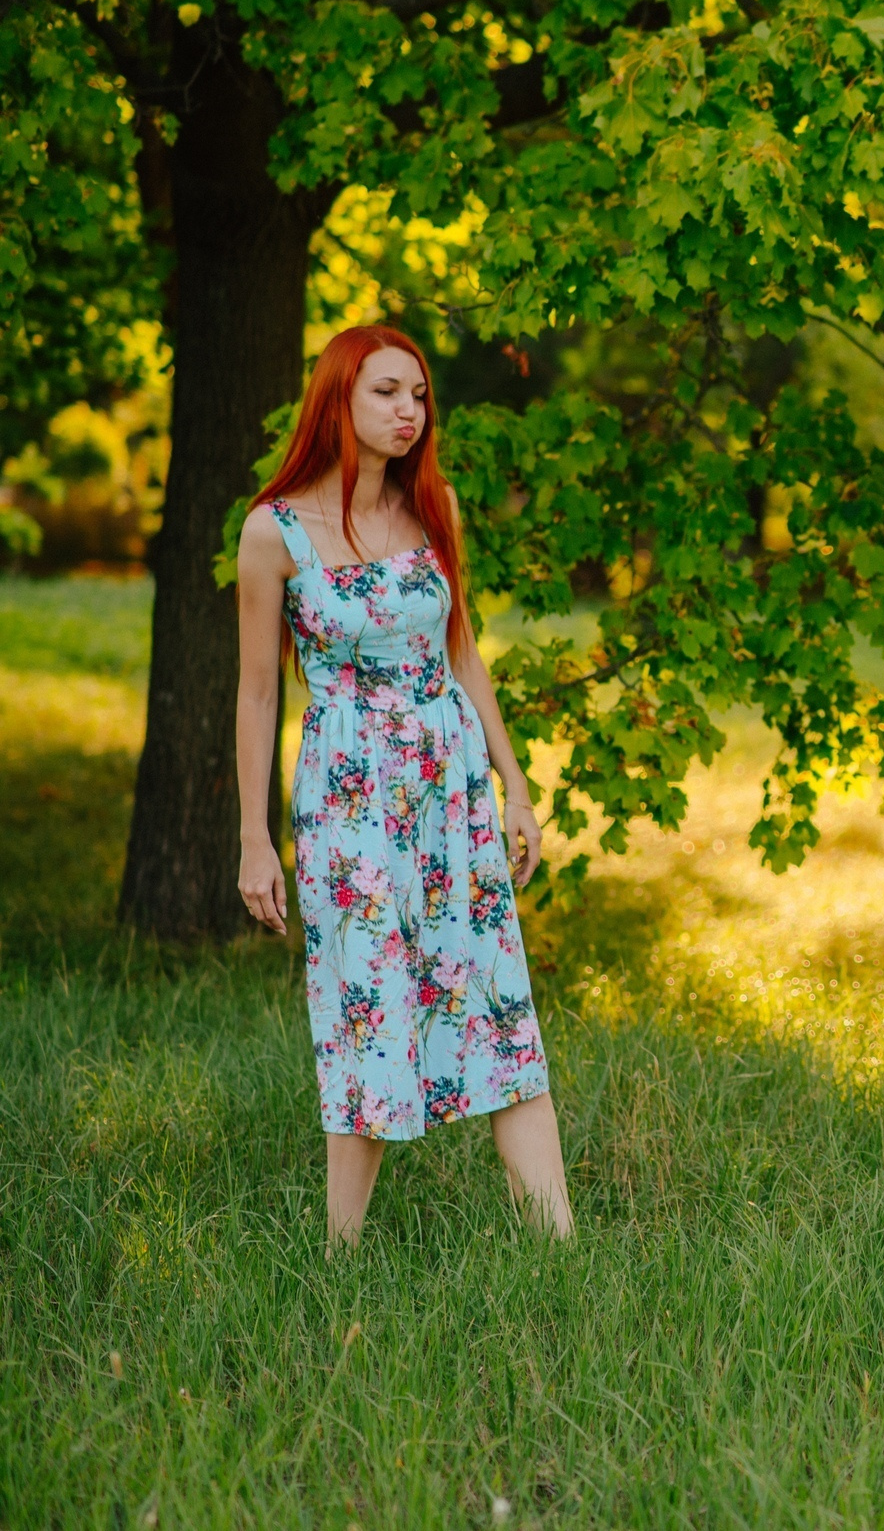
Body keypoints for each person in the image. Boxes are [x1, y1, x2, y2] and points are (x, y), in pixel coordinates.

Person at [234, 324, 573, 1249]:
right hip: (349, 798)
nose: (408, 412)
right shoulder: (273, 532)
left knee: (497, 998)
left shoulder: (434, 510)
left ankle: (562, 1254)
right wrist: (254, 838)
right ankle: (339, 1256)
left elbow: (462, 652)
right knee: (368, 1008)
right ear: (338, 398)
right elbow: (258, 690)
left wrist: (516, 784)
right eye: (387, 392)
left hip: (451, 784)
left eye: (418, 396)